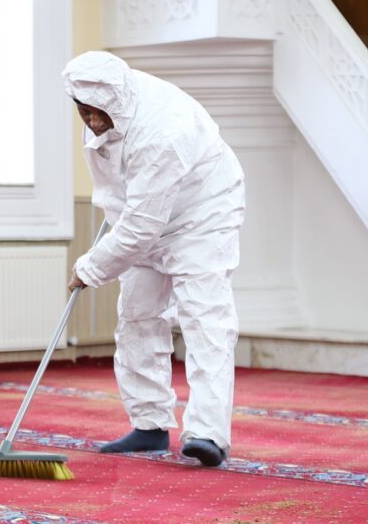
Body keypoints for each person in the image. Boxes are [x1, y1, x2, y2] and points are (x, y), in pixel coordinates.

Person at [63, 51, 245, 467]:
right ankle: (149, 426)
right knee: (137, 315)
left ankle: (207, 433)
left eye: (97, 114)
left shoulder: (163, 128)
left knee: (204, 317)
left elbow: (142, 227)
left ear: (117, 102)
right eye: (84, 112)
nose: (91, 122)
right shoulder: (99, 109)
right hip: (143, 214)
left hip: (202, 215)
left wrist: (90, 267)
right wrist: (114, 222)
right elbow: (120, 193)